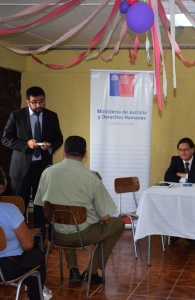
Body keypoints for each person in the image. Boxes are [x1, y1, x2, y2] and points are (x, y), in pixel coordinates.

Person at [34, 136, 124, 284]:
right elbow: (105, 217)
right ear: (85, 154)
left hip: (55, 234)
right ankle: (92, 270)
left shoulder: (47, 173)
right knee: (117, 224)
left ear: (63, 153)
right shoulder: (91, 178)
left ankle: (73, 270)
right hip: (82, 236)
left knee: (65, 219)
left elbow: (40, 204)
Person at [1, 86, 63, 238]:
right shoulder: (16, 116)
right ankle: (18, 235)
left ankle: (40, 236)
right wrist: (25, 145)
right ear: (28, 102)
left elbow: (58, 138)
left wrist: (51, 145)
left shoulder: (51, 116)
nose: (38, 106)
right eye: (34, 102)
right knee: (19, 204)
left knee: (40, 204)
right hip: (21, 168)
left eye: (41, 102)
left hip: (42, 167)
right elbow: (6, 139)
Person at [0, 167, 52, 300]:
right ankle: (37, 295)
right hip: (7, 266)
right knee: (38, 256)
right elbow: (28, 245)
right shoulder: (9, 210)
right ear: (2, 186)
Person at [164, 137, 195, 245]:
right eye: (180, 150)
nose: (183, 152)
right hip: (178, 194)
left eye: (186, 149)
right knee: (174, 208)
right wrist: (184, 179)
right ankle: (176, 233)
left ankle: (191, 235)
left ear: (192, 150)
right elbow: (167, 177)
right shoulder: (175, 160)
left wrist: (184, 175)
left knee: (191, 210)